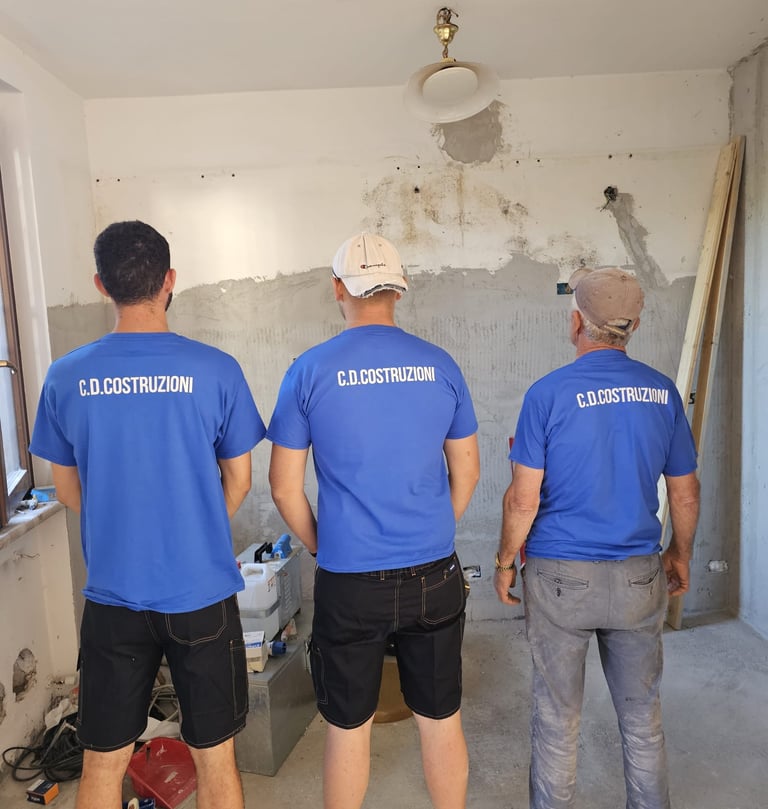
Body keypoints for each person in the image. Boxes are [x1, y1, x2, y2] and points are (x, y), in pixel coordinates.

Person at [29, 221, 266, 809]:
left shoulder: (65, 376)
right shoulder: (217, 369)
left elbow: (67, 489)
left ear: (100, 285)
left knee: (103, 764)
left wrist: (121, 523)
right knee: (216, 757)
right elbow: (239, 479)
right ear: (170, 281)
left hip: (114, 597)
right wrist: (196, 526)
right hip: (201, 592)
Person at [267, 232, 480, 809]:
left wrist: (322, 546)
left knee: (347, 727)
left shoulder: (308, 371)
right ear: (398, 290)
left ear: (338, 288)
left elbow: (283, 488)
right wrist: (435, 529)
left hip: (350, 578)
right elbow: (467, 471)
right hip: (434, 572)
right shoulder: (440, 365)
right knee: (441, 718)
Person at [494, 267, 700, 809]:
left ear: (576, 323)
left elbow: (522, 499)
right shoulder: (662, 393)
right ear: (634, 326)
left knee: (557, 717)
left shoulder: (547, 394)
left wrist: (505, 561)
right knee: (642, 716)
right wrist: (679, 555)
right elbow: (684, 495)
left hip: (560, 577)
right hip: (638, 575)